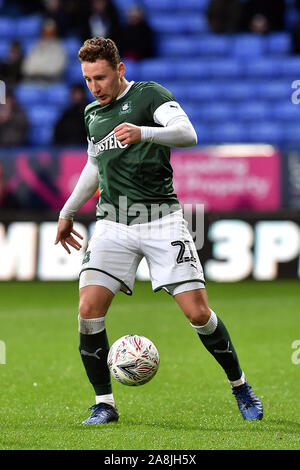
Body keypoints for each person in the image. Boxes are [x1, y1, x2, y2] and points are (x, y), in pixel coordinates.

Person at [55, 37, 263, 425]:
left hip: (162, 221)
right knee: (88, 311)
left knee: (199, 313)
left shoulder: (151, 96)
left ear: (120, 70)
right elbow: (93, 167)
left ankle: (240, 386)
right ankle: (105, 404)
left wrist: (145, 132)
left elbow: (188, 134)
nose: (95, 87)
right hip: (112, 223)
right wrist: (68, 211)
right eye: (87, 80)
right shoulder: (92, 114)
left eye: (100, 77)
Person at [22, 18, 67, 82]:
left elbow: (59, 68)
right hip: (34, 80)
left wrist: (42, 71)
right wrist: (35, 71)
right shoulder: (36, 46)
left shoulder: (59, 48)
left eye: (50, 32)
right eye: (45, 32)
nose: (47, 34)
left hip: (51, 82)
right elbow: (26, 67)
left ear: (55, 32)